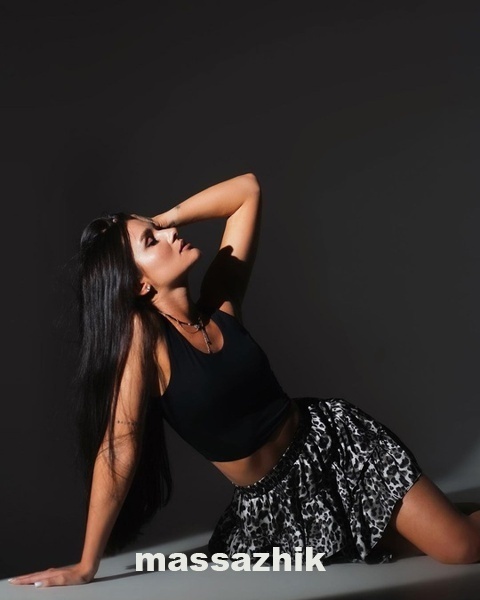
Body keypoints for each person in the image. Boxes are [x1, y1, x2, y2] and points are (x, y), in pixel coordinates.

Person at [9, 173, 480, 587]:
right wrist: (86, 564)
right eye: (152, 241)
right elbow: (118, 447)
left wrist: (161, 218)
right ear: (138, 285)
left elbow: (246, 190)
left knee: (461, 547)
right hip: (274, 508)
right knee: (409, 542)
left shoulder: (221, 301)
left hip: (336, 449)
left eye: (162, 229)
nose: (171, 234)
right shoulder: (142, 341)